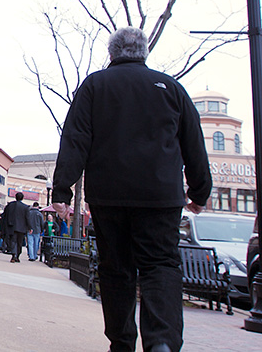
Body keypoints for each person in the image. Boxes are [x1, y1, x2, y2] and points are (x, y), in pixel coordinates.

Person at [52, 27, 211, 352]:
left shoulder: (95, 85)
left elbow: (76, 137)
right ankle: (162, 342)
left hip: (108, 194)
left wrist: (62, 191)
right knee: (161, 264)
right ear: (144, 52)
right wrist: (199, 191)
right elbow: (194, 143)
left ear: (112, 54)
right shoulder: (171, 87)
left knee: (116, 268)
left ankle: (122, 343)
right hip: (161, 196)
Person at [2, 192, 30, 263]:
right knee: (19, 242)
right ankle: (17, 255)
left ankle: (14, 254)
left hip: (11, 226)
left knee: (13, 241)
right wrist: (29, 227)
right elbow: (27, 218)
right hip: (21, 228)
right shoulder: (25, 207)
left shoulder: (10, 205)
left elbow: (4, 216)